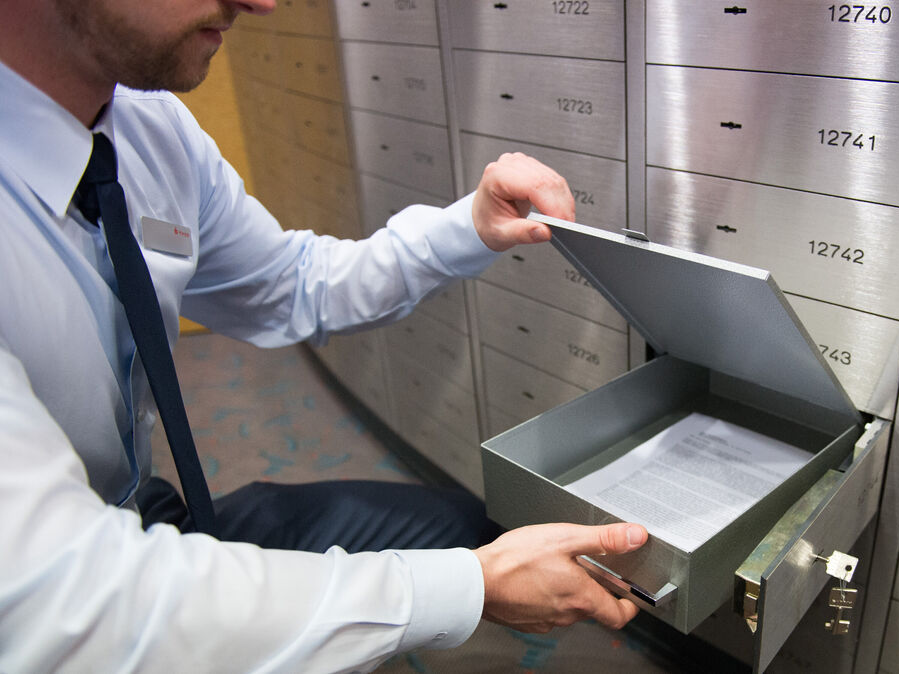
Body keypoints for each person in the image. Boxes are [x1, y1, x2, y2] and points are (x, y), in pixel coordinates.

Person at [0, 0, 649, 671]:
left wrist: (470, 227)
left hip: (145, 512)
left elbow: (292, 284)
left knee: (465, 530)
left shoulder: (148, 128)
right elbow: (65, 601)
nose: (262, 3)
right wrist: (468, 586)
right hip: (53, 591)